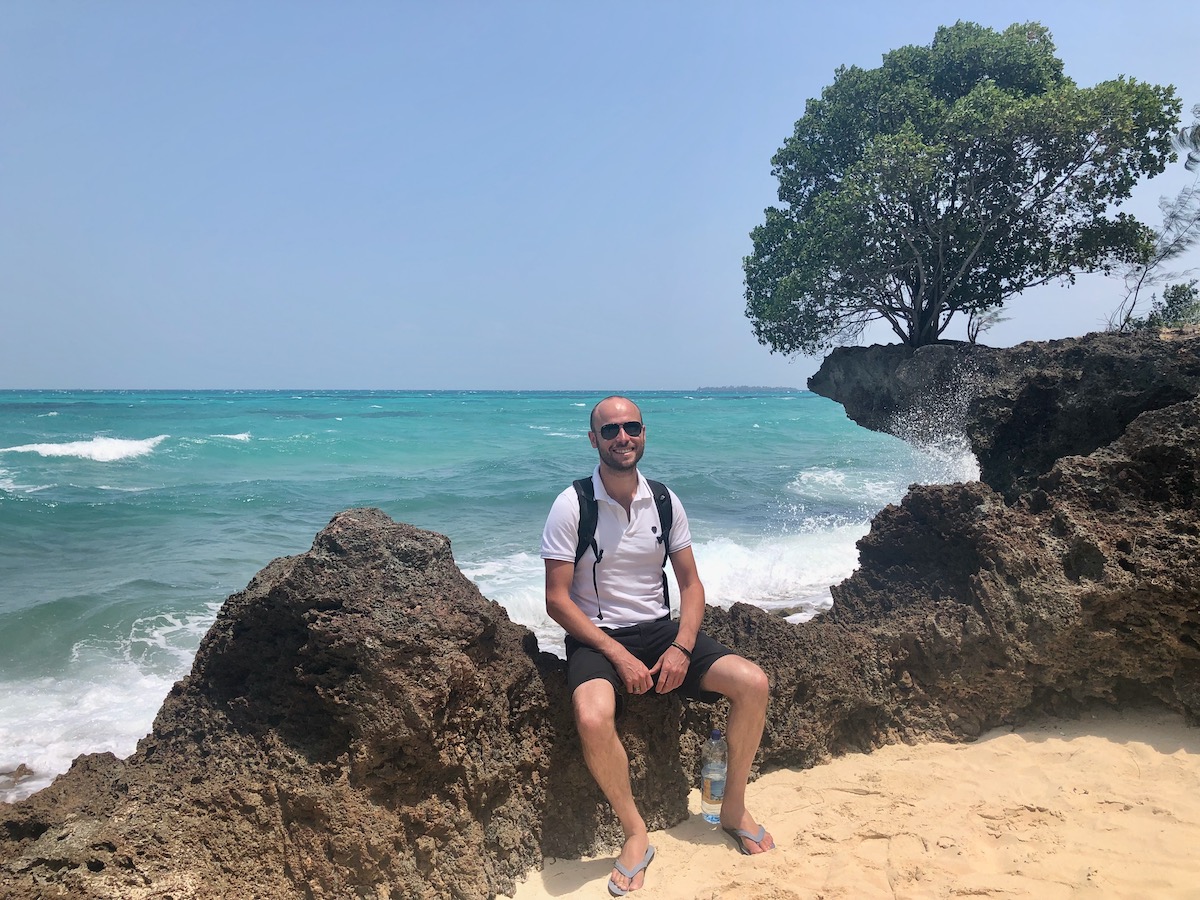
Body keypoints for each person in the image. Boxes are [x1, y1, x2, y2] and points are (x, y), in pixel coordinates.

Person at [541, 395, 775, 896]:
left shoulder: (664, 500)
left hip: (661, 631)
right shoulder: (572, 504)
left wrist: (682, 648)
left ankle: (733, 808)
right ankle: (635, 833)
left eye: (632, 427)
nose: (622, 437)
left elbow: (691, 584)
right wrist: (617, 654)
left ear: (644, 433)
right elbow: (557, 600)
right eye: (610, 430)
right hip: (597, 637)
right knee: (592, 717)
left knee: (753, 683)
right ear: (593, 440)